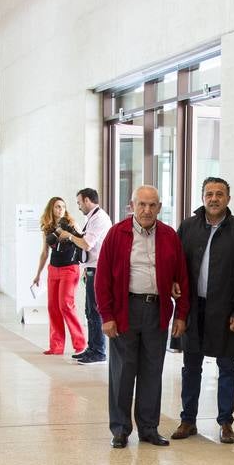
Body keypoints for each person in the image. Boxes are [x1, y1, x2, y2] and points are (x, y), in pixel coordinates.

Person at [95, 184, 189, 448]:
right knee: (122, 372)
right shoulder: (116, 234)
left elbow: (181, 277)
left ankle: (148, 428)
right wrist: (106, 316)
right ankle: (121, 429)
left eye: (152, 205)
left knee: (152, 372)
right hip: (125, 310)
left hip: (156, 311)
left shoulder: (170, 236)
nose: (147, 210)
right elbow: (101, 279)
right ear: (132, 206)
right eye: (142, 205)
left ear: (159, 207)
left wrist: (181, 315)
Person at [172, 177, 234, 444]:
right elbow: (175, 265)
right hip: (194, 309)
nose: (214, 198)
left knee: (227, 367)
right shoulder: (187, 227)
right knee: (191, 366)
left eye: (220, 194)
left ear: (228, 199)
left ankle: (225, 423)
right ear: (202, 197)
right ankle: (188, 420)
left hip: (226, 311)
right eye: (209, 194)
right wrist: (175, 295)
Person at [30, 196, 87, 356]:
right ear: (51, 209)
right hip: (53, 269)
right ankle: (56, 346)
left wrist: (83, 268)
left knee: (66, 305)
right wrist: (38, 274)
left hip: (70, 268)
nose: (60, 209)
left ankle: (80, 344)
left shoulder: (71, 223)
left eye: (62, 206)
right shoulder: (47, 228)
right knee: (53, 307)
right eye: (57, 206)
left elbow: (82, 244)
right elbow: (44, 253)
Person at [70, 188, 111, 364]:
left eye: (79, 202)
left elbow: (87, 244)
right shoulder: (92, 218)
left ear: (87, 200)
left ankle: (99, 351)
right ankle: (92, 347)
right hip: (91, 268)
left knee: (95, 311)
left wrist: (70, 236)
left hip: (98, 268)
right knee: (89, 311)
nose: (79, 207)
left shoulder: (99, 218)